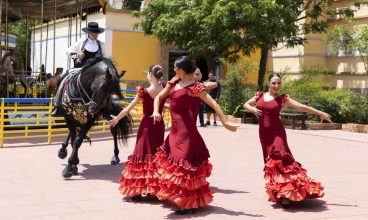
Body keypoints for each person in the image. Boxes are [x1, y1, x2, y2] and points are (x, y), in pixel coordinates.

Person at [151, 56, 238, 215]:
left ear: (182, 70)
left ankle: (187, 203)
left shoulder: (195, 87)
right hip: (174, 132)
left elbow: (214, 103)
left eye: (176, 68)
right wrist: (156, 111)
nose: (174, 70)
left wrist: (225, 122)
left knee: (184, 166)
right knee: (175, 166)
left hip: (186, 132)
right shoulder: (173, 83)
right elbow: (158, 97)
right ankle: (186, 200)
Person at [243, 73, 332, 206]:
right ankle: (279, 191)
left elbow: (301, 107)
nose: (276, 86)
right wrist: (252, 109)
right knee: (270, 163)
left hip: (278, 133)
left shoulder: (282, 99)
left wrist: (320, 113)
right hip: (264, 134)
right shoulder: (260, 95)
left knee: (281, 158)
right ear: (268, 84)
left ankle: (287, 193)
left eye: (279, 83)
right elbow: (245, 104)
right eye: (274, 83)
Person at [108, 65, 166, 200]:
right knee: (156, 154)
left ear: (151, 75)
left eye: (147, 73)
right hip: (159, 125)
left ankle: (138, 190)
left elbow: (127, 109)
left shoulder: (144, 92)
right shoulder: (164, 89)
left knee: (141, 154)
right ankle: (153, 190)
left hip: (146, 125)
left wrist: (117, 118)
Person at [51, 21, 106, 117]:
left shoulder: (102, 44)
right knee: (61, 79)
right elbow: (68, 51)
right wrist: (78, 55)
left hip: (97, 71)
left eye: (96, 33)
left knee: (108, 83)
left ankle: (106, 107)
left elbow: (106, 58)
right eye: (93, 33)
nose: (95, 35)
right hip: (80, 68)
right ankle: (57, 105)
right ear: (88, 33)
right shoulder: (81, 42)